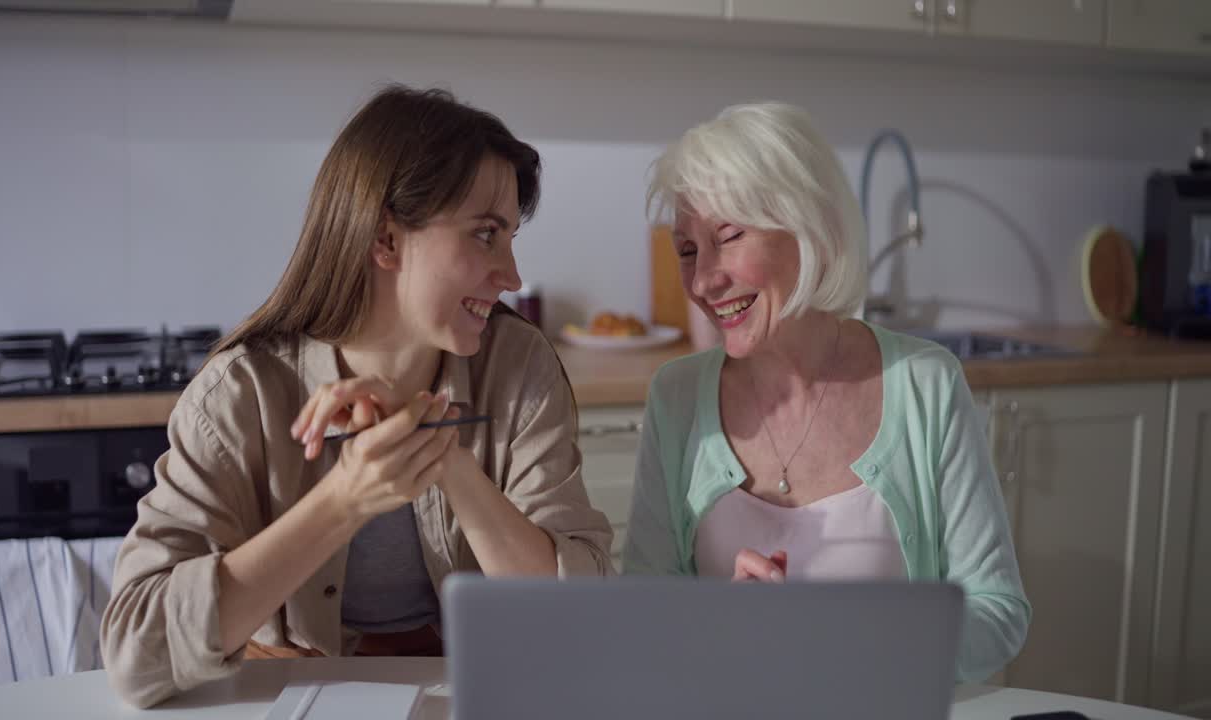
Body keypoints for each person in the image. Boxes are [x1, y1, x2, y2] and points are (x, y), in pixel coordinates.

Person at [100, 85, 614, 708]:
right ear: (386, 240)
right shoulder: (239, 395)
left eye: (508, 238)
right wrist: (344, 499)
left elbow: (577, 627)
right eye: (485, 234)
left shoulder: (520, 366)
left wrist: (444, 459)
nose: (512, 275)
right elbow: (135, 655)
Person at [622, 101, 1029, 681]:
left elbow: (998, 612)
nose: (705, 279)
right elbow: (643, 611)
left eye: (729, 236)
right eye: (687, 250)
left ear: (808, 223)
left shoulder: (926, 384)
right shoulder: (677, 395)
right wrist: (716, 623)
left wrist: (848, 637)